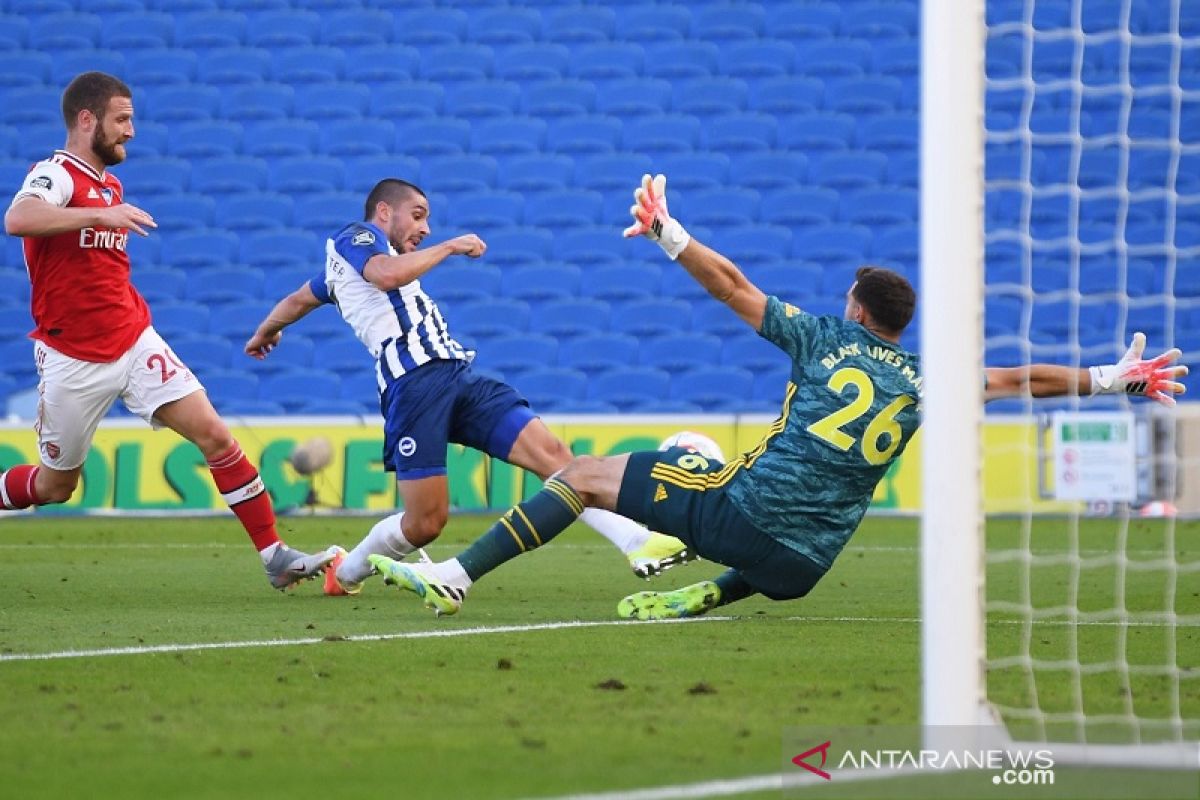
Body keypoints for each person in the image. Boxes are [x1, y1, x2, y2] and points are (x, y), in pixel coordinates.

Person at [367, 173, 1190, 619]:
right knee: (769, 516)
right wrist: (1113, 379)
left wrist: (669, 233)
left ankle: (459, 578)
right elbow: (1017, 381)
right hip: (803, 570)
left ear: (858, 312)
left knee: (584, 476)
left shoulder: (824, 339)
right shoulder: (922, 380)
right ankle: (707, 593)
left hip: (743, 517)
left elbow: (730, 285)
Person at [244, 178, 694, 597]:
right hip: (414, 386)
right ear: (384, 211)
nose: (425, 227)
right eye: (417, 215)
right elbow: (384, 275)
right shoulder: (356, 239)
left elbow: (300, 299)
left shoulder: (344, 273)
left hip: (458, 375)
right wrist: (451, 246)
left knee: (555, 458)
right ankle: (346, 573)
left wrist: (267, 331)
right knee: (426, 523)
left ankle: (636, 542)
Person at [0, 72, 333, 591]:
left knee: (216, 435)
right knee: (54, 486)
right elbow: (18, 218)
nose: (131, 131)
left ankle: (275, 556)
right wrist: (101, 213)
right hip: (73, 356)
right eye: (122, 119)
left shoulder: (110, 184)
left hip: (134, 339)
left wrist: (105, 209)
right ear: (87, 120)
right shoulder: (57, 173)